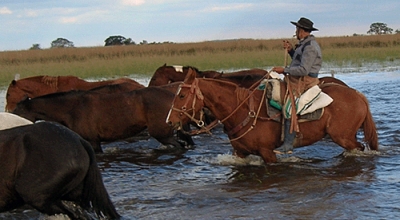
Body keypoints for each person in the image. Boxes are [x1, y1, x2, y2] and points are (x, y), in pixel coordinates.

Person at [272, 17, 322, 154]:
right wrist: (290, 51)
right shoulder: (304, 44)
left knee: (289, 107)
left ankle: (288, 144)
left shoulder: (310, 47)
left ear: (301, 31)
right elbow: (299, 60)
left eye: (297, 29)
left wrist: (284, 70)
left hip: (304, 81)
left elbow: (304, 70)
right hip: (297, 79)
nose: (296, 32)